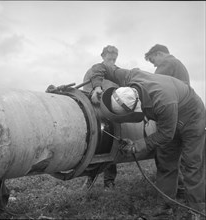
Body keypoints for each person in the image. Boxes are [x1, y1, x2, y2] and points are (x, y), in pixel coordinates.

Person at [86, 62, 205, 220]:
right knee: (165, 163)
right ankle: (165, 207)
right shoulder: (131, 76)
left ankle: (196, 210)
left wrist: (137, 146)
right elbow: (102, 67)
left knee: (191, 164)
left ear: (137, 108)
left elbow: (166, 134)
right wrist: (97, 86)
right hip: (169, 114)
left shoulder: (163, 101)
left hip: (192, 117)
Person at [145, 44, 190, 199]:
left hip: (173, 117)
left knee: (165, 156)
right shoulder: (178, 65)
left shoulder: (167, 63)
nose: (154, 65)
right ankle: (182, 189)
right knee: (181, 158)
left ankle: (165, 204)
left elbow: (153, 84)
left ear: (159, 54)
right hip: (185, 117)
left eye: (153, 61)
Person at [82, 45, 119, 190]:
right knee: (94, 147)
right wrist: (94, 93)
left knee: (111, 146)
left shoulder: (116, 72)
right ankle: (90, 177)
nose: (111, 61)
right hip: (96, 115)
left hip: (111, 114)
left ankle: (109, 181)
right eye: (109, 58)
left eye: (114, 59)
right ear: (103, 56)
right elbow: (86, 91)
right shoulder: (93, 71)